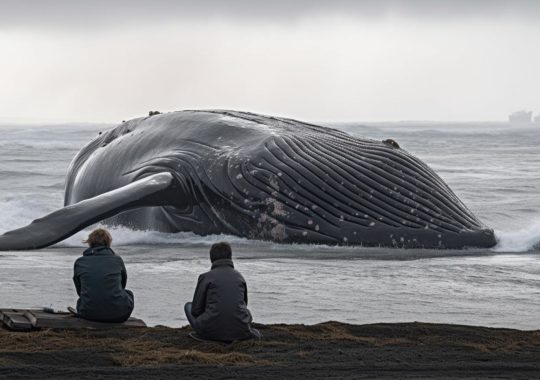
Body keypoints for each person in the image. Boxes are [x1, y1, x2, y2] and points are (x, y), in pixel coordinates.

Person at [185, 242, 261, 342]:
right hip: (240, 331)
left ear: (211, 258)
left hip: (211, 330)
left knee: (188, 306)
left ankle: (204, 333)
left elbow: (196, 310)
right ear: (230, 257)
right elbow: (244, 304)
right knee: (246, 312)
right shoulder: (239, 277)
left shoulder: (205, 277)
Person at [72, 228, 134, 323]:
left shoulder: (80, 262)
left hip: (88, 313)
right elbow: (122, 285)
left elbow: (79, 290)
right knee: (129, 293)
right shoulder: (117, 260)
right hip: (118, 314)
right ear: (108, 242)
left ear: (89, 243)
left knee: (84, 298)